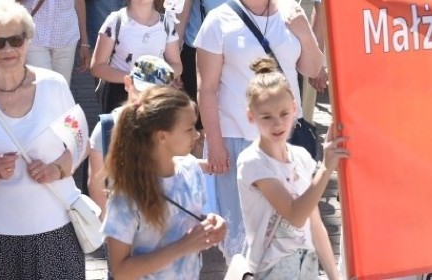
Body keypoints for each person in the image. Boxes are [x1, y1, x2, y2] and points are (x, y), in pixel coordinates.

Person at [195, 0, 325, 260]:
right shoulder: (217, 21)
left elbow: (313, 70)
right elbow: (206, 89)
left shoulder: (290, 10)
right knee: (243, 238)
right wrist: (215, 144)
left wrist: (304, 33)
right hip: (236, 140)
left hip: (285, 140)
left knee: (289, 233)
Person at [0, 0, 86, 279]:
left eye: (15, 40)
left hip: (56, 222)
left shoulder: (54, 85)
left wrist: (56, 169)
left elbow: (79, 144)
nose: (8, 49)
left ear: (28, 41)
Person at [102, 85, 227, 278]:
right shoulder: (126, 195)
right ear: (162, 136)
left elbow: (189, 217)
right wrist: (183, 247)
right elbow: (121, 271)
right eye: (188, 128)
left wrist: (211, 224)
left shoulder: (191, 169)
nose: (196, 134)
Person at [237, 58, 346, 279]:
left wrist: (334, 276)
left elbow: (315, 224)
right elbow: (296, 215)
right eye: (266, 116)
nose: (277, 124)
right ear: (250, 116)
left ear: (295, 109)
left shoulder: (302, 157)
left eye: (284, 114)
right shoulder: (252, 161)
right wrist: (325, 169)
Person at [91, 0, 182, 112]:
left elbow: (176, 64)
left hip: (155, 94)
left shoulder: (166, 23)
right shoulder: (116, 21)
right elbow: (97, 67)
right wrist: (134, 79)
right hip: (120, 94)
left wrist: (163, 77)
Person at [87, 55, 177, 212]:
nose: (144, 100)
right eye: (141, 91)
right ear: (128, 83)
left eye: (155, 97)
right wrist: (106, 226)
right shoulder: (107, 127)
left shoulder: (173, 129)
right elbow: (96, 182)